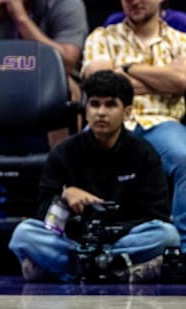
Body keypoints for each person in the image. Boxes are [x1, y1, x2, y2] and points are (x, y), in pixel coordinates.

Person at [9, 70, 179, 283]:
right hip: (76, 240)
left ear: (127, 112)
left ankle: (72, 269)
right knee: (24, 234)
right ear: (86, 110)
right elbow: (43, 211)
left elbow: (157, 213)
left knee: (167, 235)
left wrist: (113, 230)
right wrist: (64, 197)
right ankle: (115, 270)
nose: (101, 112)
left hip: (122, 239)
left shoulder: (144, 153)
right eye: (95, 104)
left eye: (110, 105)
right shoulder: (64, 152)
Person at [81, 0, 186, 254]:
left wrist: (125, 67)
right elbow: (99, 82)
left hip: (161, 123)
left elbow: (182, 81)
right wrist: (161, 78)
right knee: (80, 152)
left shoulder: (181, 41)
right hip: (110, 121)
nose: (133, 0)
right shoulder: (103, 35)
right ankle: (87, 246)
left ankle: (182, 251)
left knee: (185, 156)